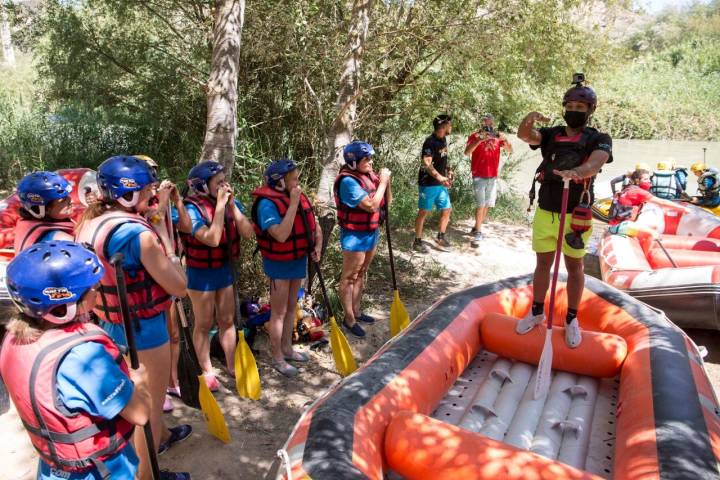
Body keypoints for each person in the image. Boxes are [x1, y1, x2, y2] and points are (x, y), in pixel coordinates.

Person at [75, 155, 191, 480]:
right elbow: (179, 286)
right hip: (144, 332)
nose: (153, 194)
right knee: (147, 407)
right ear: (128, 194)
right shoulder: (138, 234)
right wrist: (165, 241)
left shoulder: (88, 223)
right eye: (148, 189)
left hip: (108, 327)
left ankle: (163, 437)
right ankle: (148, 474)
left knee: (134, 401)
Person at [0, 241, 156, 480]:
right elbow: (140, 415)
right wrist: (141, 380)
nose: (97, 290)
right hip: (99, 471)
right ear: (65, 305)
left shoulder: (12, 338)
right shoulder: (82, 356)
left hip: (53, 469)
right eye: (92, 288)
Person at [516, 74, 612, 348]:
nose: (574, 112)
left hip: (576, 215)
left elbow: (595, 163)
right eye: (570, 107)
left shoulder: (599, 138)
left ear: (590, 111)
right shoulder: (552, 134)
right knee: (543, 264)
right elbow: (525, 135)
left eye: (580, 108)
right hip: (546, 211)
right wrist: (529, 119)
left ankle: (571, 318)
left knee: (575, 266)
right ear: (564, 107)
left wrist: (576, 172)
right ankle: (536, 312)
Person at [180, 161, 254, 391]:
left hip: (224, 269)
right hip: (200, 273)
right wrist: (221, 207)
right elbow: (211, 239)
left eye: (224, 179)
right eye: (218, 182)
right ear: (202, 186)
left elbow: (249, 233)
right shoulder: (191, 209)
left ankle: (232, 364)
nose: (224, 184)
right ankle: (207, 370)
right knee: (203, 323)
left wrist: (232, 207)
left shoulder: (230, 203)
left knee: (227, 320)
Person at [250, 159, 323, 376]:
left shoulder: (295, 196)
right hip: (278, 262)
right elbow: (281, 235)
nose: (298, 183)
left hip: (297, 258)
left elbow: (314, 225)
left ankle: (287, 349)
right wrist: (292, 203)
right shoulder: (267, 204)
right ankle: (278, 357)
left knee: (292, 307)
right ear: (280, 182)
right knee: (279, 312)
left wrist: (316, 246)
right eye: (294, 179)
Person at [332, 141, 391, 338]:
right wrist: (382, 182)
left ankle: (357, 311)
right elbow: (371, 205)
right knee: (349, 277)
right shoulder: (348, 181)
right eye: (366, 160)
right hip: (354, 235)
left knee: (362, 272)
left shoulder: (368, 176)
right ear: (353, 162)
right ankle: (348, 319)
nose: (371, 163)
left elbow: (385, 203)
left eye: (371, 158)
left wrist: (386, 183)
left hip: (370, 231)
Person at [464, 113, 513, 247]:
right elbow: (467, 152)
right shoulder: (475, 136)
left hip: (492, 176)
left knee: (487, 205)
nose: (488, 125)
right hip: (479, 174)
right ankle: (478, 232)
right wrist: (479, 139)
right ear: (482, 123)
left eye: (490, 123)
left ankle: (476, 227)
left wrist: (505, 139)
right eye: (486, 122)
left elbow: (510, 150)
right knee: (481, 205)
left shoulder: (497, 137)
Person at [413, 114, 453, 252]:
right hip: (428, 183)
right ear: (443, 126)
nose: (451, 127)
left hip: (440, 184)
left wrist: (448, 172)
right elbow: (426, 163)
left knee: (447, 209)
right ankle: (417, 241)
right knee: (424, 211)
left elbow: (443, 158)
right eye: (449, 124)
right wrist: (439, 177)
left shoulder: (444, 139)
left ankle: (440, 237)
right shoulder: (429, 142)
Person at [14, 171, 75, 252]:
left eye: (68, 197)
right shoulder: (61, 239)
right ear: (43, 209)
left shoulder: (27, 224)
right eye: (63, 200)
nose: (72, 201)